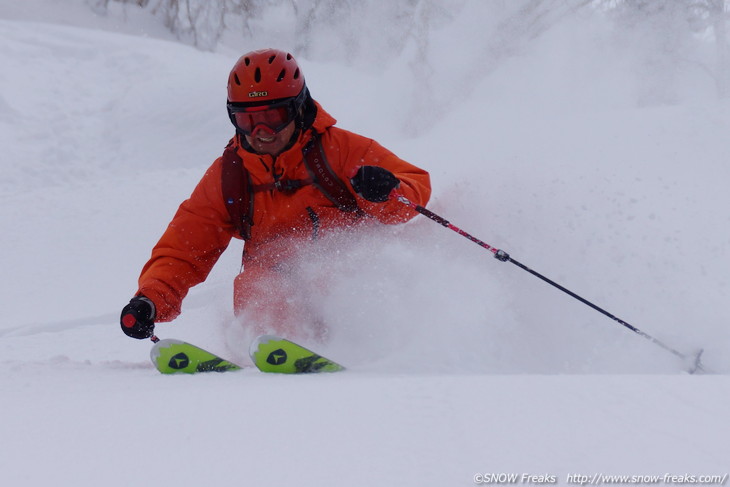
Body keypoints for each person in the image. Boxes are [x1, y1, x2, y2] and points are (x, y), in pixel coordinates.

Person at [120, 48, 431, 341]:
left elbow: (414, 187)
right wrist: (150, 299)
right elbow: (186, 246)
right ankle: (276, 346)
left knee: (332, 275)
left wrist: (386, 190)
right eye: (248, 120)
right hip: (276, 290)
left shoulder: (341, 150)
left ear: (298, 108)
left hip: (352, 282)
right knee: (257, 286)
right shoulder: (230, 174)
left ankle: (358, 344)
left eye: (273, 118)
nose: (261, 133)